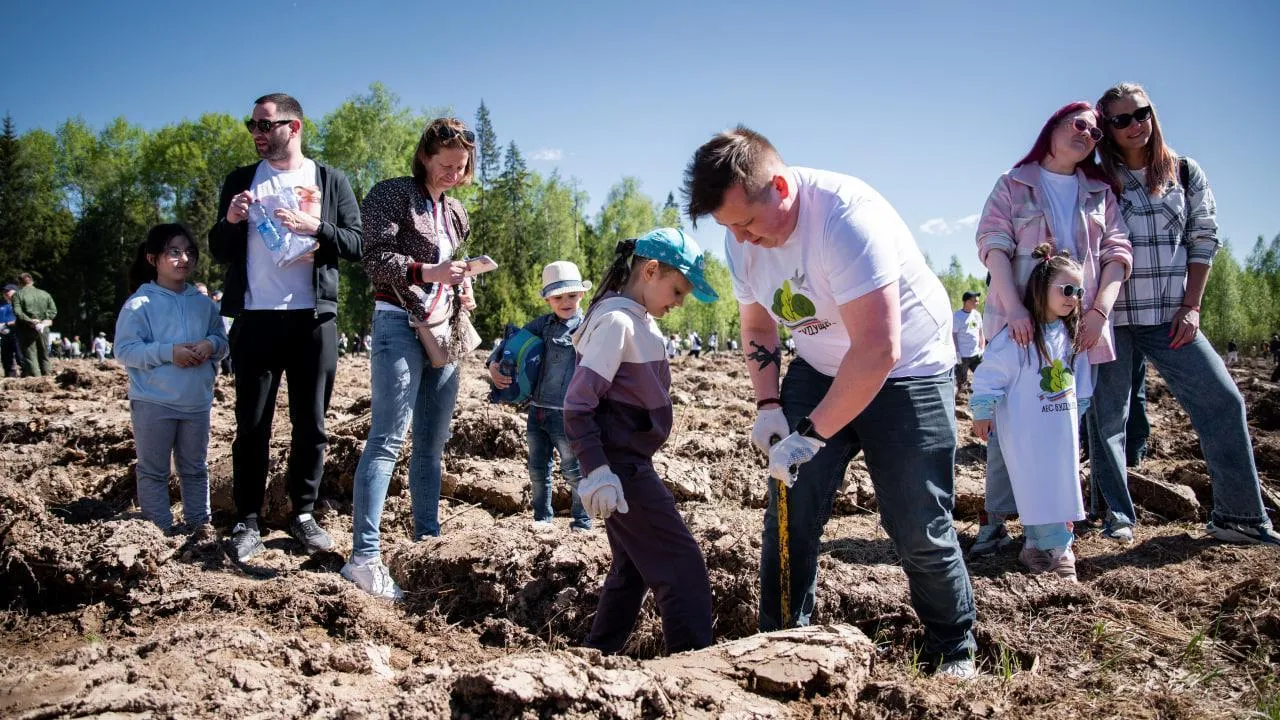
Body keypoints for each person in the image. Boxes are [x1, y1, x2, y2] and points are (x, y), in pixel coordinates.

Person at [684, 126, 976, 677]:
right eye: (729, 229)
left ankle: (952, 646)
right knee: (790, 505)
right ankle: (782, 639)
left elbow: (877, 351)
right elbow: (757, 324)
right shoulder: (740, 237)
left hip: (907, 369)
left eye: (746, 223)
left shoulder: (846, 219)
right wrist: (769, 406)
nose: (741, 240)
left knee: (916, 521)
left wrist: (811, 435)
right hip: (819, 367)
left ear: (780, 189)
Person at [1089, 81, 1277, 545]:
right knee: (1107, 419)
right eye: (1122, 120)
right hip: (1112, 319)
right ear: (1107, 129)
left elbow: (1203, 239)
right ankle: (1116, 515)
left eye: (1142, 113)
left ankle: (1239, 517)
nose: (1136, 125)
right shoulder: (1096, 179)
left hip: (1171, 317)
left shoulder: (1185, 172)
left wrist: (1192, 306)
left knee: (1222, 401)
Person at [209, 92, 363, 561]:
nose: (255, 133)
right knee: (251, 426)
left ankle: (303, 514)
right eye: (251, 125)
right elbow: (218, 248)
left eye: (263, 125)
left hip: (312, 320)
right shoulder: (241, 180)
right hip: (255, 319)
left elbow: (357, 244)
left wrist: (316, 227)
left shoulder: (330, 180)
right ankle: (247, 520)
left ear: (293, 128)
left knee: (311, 425)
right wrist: (232, 220)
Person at [972, 101, 1131, 552]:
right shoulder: (1013, 184)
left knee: (1065, 421)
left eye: (1097, 133)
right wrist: (1015, 308)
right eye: (1079, 124)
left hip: (1081, 330)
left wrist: (1098, 312)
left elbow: (1118, 256)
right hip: (1017, 325)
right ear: (1053, 127)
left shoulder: (1100, 193)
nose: (1088, 134)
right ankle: (996, 521)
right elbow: (993, 246)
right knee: (1005, 427)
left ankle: (1057, 523)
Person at [565, 227, 719, 655]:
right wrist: (597, 470)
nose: (680, 302)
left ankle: (597, 655)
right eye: (678, 290)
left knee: (631, 568)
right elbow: (577, 404)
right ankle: (696, 669)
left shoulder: (633, 319)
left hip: (629, 462)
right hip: (621, 467)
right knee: (683, 567)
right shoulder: (617, 321)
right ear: (650, 271)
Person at [343, 118, 479, 599]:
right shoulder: (392, 193)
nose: (453, 174)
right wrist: (429, 270)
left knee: (431, 442)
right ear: (424, 156)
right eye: (445, 165)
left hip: (444, 330)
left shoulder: (456, 212)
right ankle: (364, 558)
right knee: (386, 439)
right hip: (399, 322)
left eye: (461, 168)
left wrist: (462, 282)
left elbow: (450, 266)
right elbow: (374, 258)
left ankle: (427, 539)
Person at [972, 246, 1092, 581]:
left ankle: (1044, 547)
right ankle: (1053, 547)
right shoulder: (1020, 336)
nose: (1074, 298)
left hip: (1060, 431)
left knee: (1063, 483)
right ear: (1042, 287)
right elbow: (991, 372)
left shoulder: (1070, 336)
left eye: (1079, 292)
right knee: (1036, 484)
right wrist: (983, 410)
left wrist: (1079, 408)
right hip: (1027, 431)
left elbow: (1081, 378)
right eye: (1067, 290)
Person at [114, 224, 228, 532]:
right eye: (173, 252)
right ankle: (160, 531)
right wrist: (168, 352)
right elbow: (124, 350)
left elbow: (222, 340)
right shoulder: (139, 304)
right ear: (153, 259)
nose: (183, 259)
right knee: (153, 471)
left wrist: (211, 345)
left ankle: (199, 529)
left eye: (189, 252)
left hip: (196, 403)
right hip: (154, 403)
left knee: (195, 470)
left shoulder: (204, 304)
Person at [489, 261, 592, 531]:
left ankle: (582, 521)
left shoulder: (587, 327)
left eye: (571, 295)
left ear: (581, 294)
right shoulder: (542, 325)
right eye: (558, 297)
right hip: (536, 410)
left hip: (567, 413)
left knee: (573, 470)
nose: (565, 302)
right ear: (548, 300)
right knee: (537, 470)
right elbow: (511, 343)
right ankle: (541, 519)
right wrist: (493, 364)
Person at [12, 273, 57, 377]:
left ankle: (36, 380)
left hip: (26, 328)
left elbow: (18, 312)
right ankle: (47, 377)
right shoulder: (45, 294)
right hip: (43, 328)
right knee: (44, 354)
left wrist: (31, 322)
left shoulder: (18, 295)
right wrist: (43, 321)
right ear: (32, 281)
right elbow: (53, 311)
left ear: (19, 283)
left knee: (30, 355)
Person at [952, 291, 985, 393]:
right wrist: (956, 352)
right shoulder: (957, 316)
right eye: (975, 301)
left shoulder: (977, 315)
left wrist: (982, 348)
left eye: (978, 301)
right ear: (967, 302)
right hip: (963, 355)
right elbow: (953, 335)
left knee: (983, 376)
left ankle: (980, 397)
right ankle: (960, 401)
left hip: (976, 354)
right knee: (961, 381)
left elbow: (980, 332)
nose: (977, 303)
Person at [0, 284, 17, 377]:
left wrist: (7, 324)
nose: (5, 293)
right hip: (4, 334)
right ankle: (10, 377)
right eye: (4, 291)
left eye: (8, 291)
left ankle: (27, 376)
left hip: (16, 333)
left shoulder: (19, 304)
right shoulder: (1, 304)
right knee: (6, 358)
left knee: (20, 357)